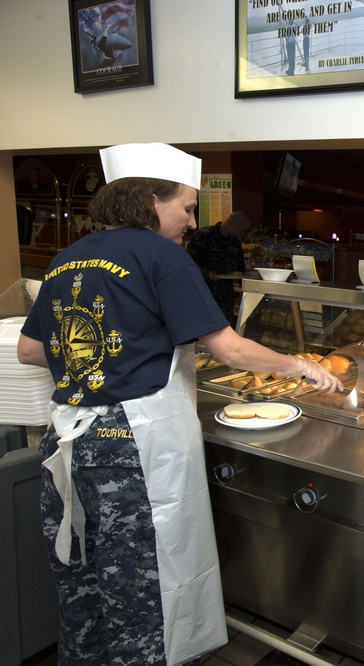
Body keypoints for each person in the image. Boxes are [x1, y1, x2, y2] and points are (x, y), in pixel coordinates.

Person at [17, 142, 342, 666]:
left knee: (83, 589)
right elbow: (227, 346)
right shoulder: (162, 255)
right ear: (149, 199)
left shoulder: (66, 256)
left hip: (69, 445)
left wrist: (100, 361)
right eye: (187, 207)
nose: (193, 221)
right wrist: (301, 366)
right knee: (143, 602)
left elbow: (30, 350)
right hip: (131, 450)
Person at [187, 210, 252, 326]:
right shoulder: (204, 235)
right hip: (203, 295)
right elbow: (189, 263)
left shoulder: (234, 242)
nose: (241, 234)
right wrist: (207, 273)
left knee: (224, 329)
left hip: (225, 297)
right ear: (234, 225)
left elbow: (240, 266)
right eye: (241, 231)